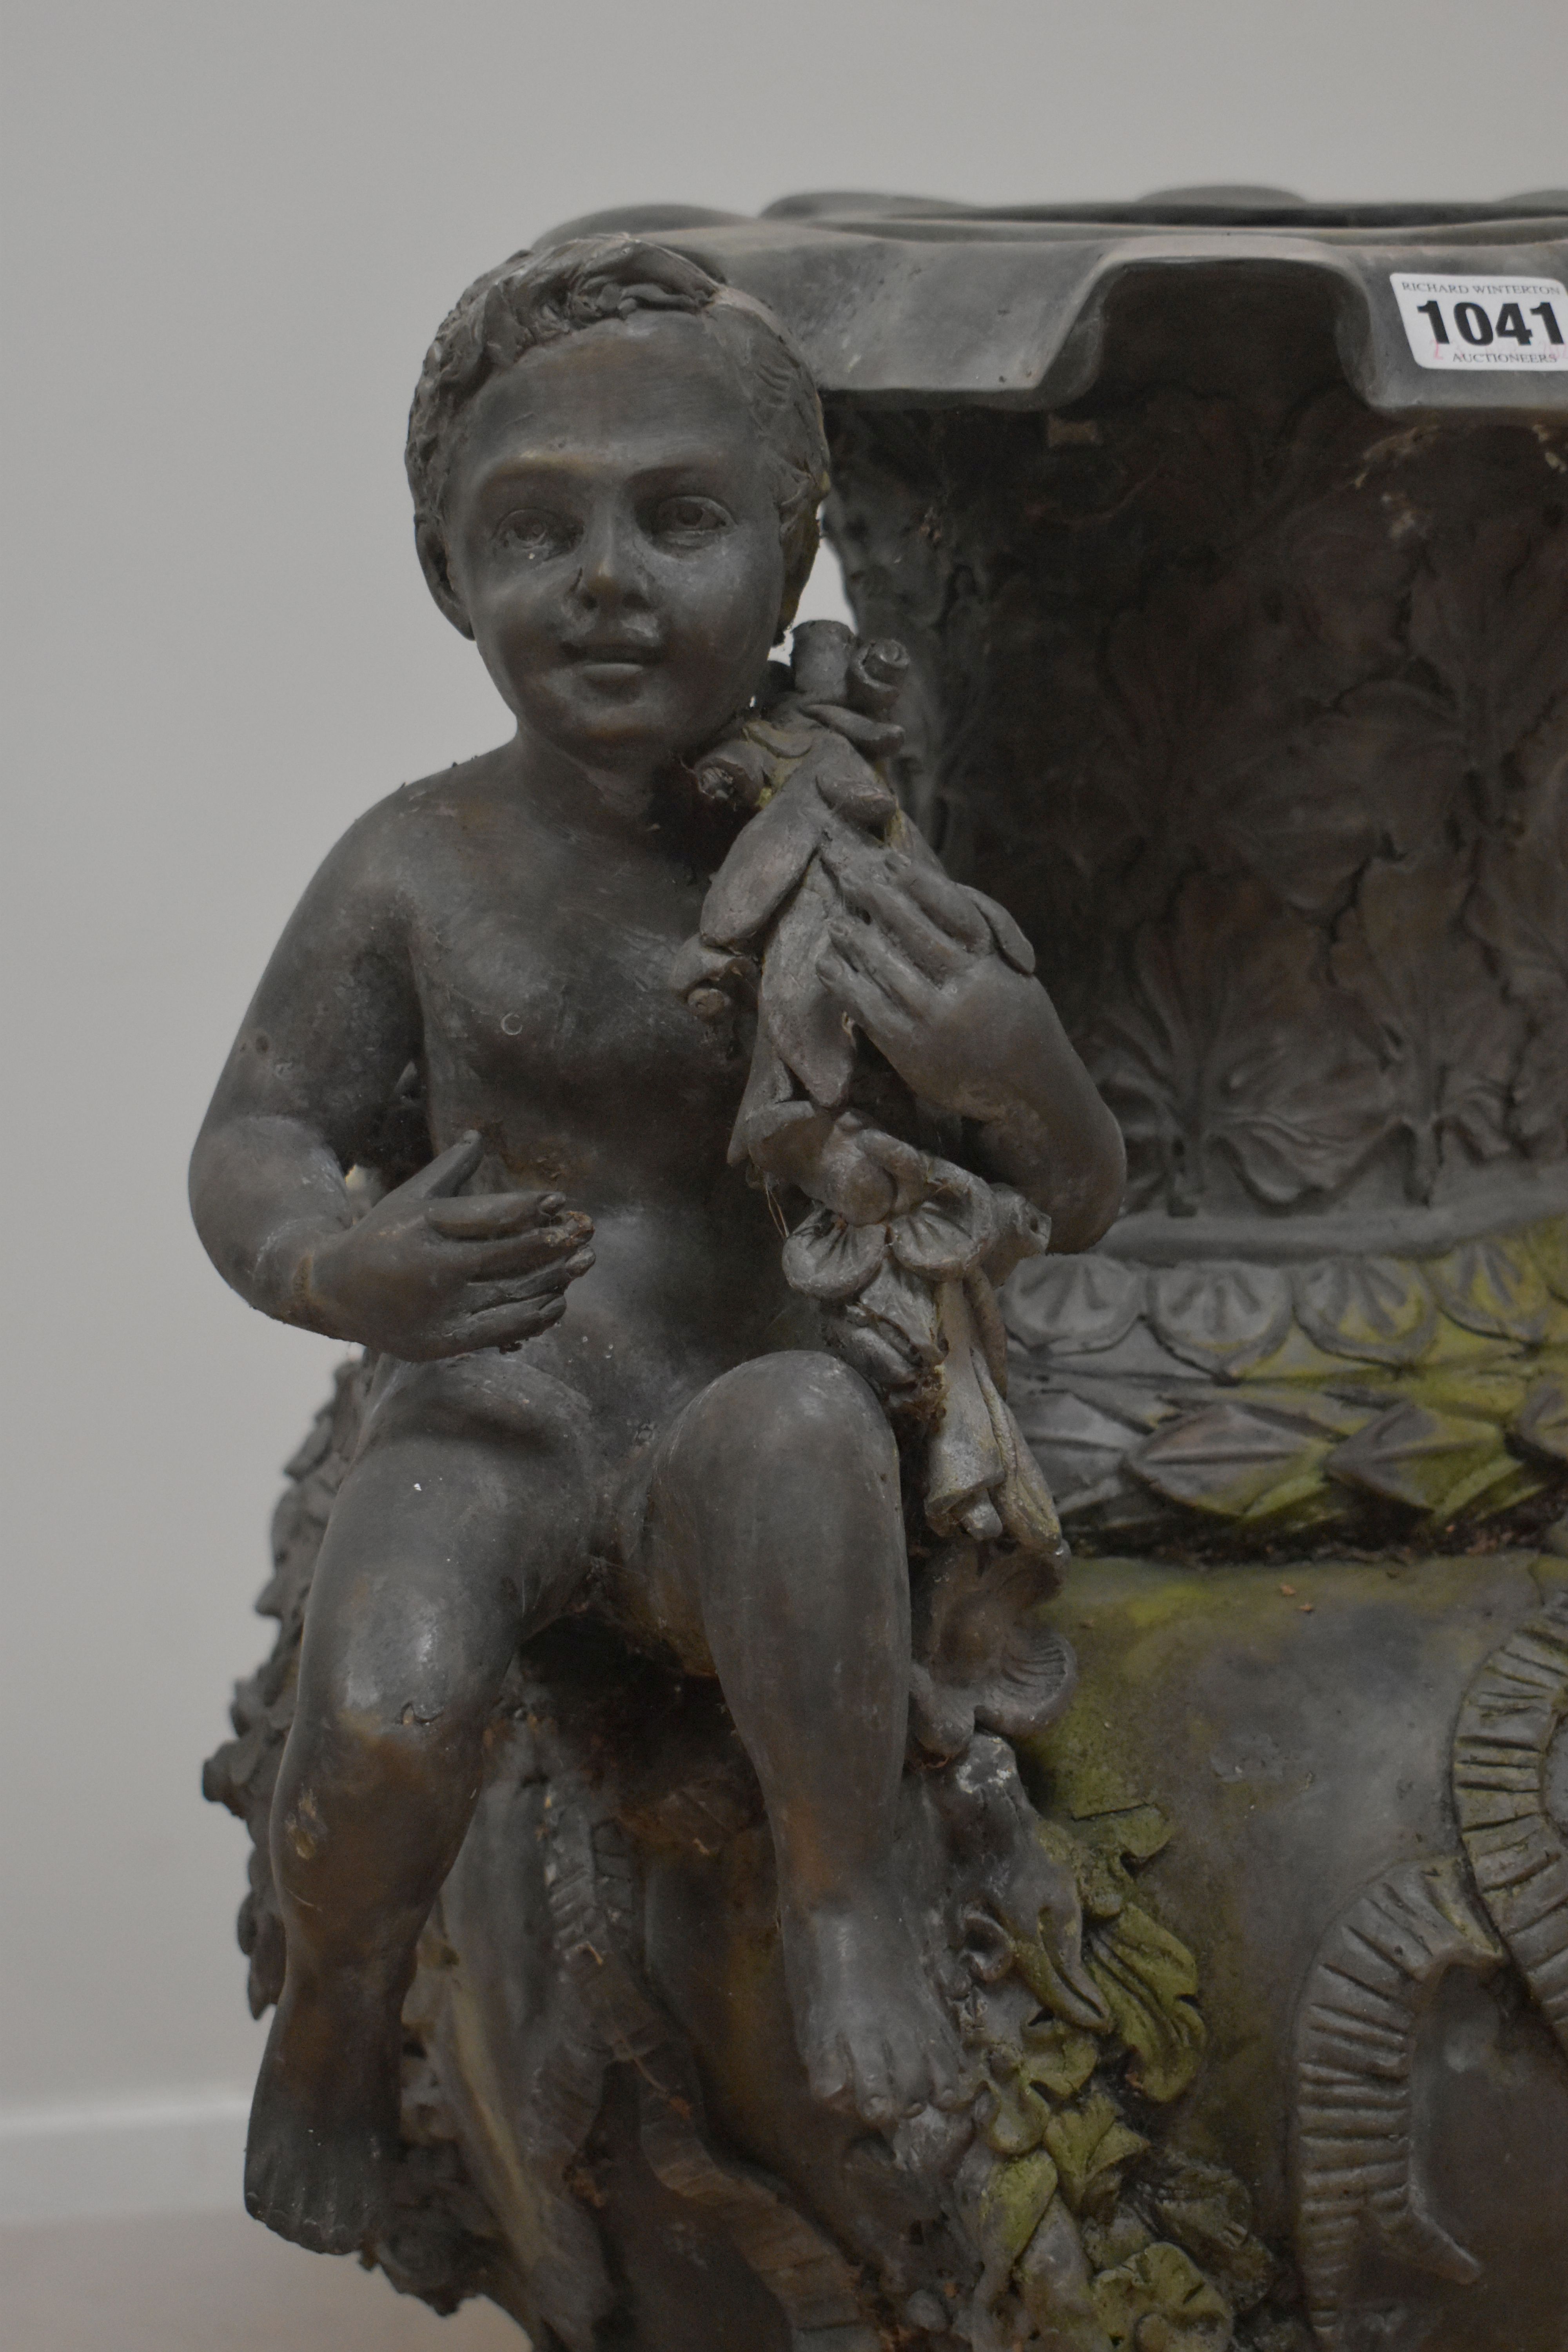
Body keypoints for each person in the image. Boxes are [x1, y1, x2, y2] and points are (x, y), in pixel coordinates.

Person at [190, 236, 1125, 2257]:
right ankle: (340, 2018)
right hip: (498, 1409)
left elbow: (1077, 1190)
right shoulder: (420, 865)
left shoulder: (851, 860)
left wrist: (1015, 1059)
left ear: (794, 554)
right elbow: (260, 1130)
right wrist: (331, 1271)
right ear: (450, 568)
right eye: (537, 530)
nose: (605, 579)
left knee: (803, 1434)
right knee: (381, 1708)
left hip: (722, 1412)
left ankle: (843, 1885)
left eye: (678, 519)